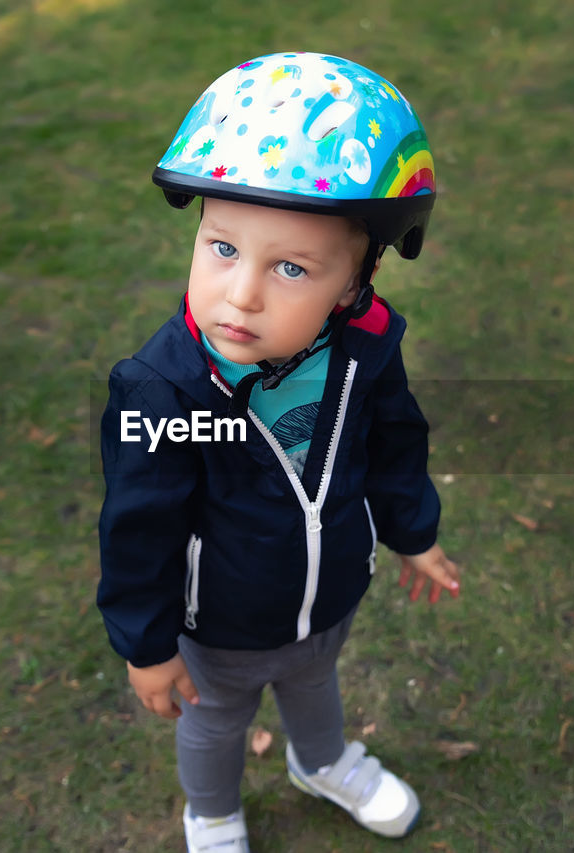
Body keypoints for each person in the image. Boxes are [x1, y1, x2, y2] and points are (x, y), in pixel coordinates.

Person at [97, 51, 459, 852]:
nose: (242, 293)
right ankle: (213, 813)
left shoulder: (365, 350)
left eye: (290, 266)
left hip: (326, 597)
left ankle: (321, 760)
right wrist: (147, 645)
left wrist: (413, 530)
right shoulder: (166, 392)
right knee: (216, 720)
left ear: (354, 283)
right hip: (220, 620)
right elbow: (137, 528)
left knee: (313, 684)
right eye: (223, 248)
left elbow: (396, 441)